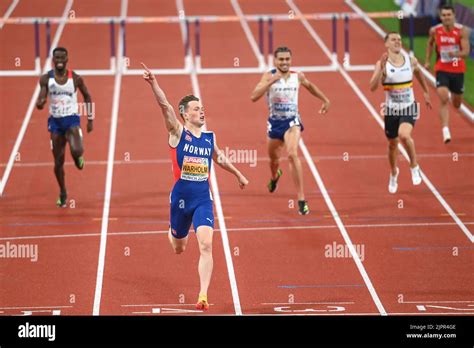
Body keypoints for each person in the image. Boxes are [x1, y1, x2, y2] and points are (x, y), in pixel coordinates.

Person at [141, 63, 248, 311]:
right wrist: (153, 82)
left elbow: (219, 157)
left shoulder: (209, 137)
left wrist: (238, 174)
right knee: (179, 247)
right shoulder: (177, 133)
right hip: (180, 199)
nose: (202, 111)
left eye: (202, 108)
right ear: (185, 114)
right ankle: (173, 230)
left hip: (202, 198)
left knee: (206, 245)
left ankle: (202, 295)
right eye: (196, 109)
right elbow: (165, 106)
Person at [250, 46, 330, 215]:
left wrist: (325, 99)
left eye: (287, 59)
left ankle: (301, 199)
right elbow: (254, 96)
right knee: (273, 161)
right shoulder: (269, 75)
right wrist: (271, 81)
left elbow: (310, 86)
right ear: (275, 60)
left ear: (291, 60)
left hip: (292, 122)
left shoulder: (297, 76)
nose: (284, 62)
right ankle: (274, 176)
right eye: (281, 59)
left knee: (293, 154)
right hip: (274, 124)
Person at [370, 32, 432, 194]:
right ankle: (393, 172)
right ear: (386, 44)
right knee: (392, 144)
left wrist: (425, 92)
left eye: (399, 39)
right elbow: (372, 87)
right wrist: (381, 70)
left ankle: (414, 165)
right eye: (393, 40)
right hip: (391, 110)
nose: (397, 42)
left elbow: (418, 73)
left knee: (404, 135)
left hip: (409, 106)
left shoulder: (410, 61)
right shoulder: (382, 63)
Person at [36, 47, 93, 207]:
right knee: (58, 161)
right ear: (53, 60)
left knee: (76, 150)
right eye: (57, 58)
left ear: (67, 59)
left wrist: (90, 119)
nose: (59, 61)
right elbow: (41, 97)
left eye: (62, 58)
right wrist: (40, 103)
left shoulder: (75, 78)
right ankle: (63, 192)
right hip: (55, 123)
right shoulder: (46, 78)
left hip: (71, 119)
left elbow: (87, 96)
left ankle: (77, 157)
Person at [425, 4, 470, 143]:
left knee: (456, 104)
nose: (446, 18)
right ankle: (445, 130)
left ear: (454, 15)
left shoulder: (461, 31)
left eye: (449, 15)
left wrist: (455, 53)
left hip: (457, 69)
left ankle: (454, 95)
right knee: (444, 97)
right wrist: (427, 61)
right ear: (440, 16)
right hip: (442, 68)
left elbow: (466, 52)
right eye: (443, 15)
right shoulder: (434, 30)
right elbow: (430, 44)